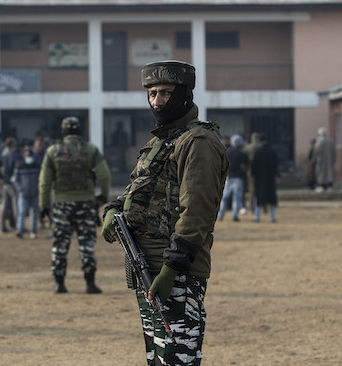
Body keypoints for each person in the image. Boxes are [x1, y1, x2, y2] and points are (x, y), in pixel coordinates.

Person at [101, 60, 228, 365]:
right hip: (147, 269)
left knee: (176, 359)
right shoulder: (161, 141)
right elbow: (136, 190)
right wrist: (113, 210)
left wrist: (171, 271)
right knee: (158, 359)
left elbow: (196, 213)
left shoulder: (198, 142)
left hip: (176, 272)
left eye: (166, 93)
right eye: (152, 93)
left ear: (184, 94)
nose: (156, 101)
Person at [39, 116, 110, 294]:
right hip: (86, 203)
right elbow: (104, 175)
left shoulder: (52, 151)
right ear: (80, 131)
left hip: (61, 204)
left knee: (60, 244)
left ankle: (59, 283)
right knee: (86, 243)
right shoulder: (91, 149)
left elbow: (44, 182)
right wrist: (102, 196)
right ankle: (90, 283)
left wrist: (43, 207)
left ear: (63, 132)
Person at [218, 134, 249, 222]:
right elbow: (246, 165)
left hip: (228, 177)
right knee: (237, 197)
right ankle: (234, 215)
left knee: (224, 197)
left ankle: (221, 215)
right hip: (238, 178)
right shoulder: (242, 153)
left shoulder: (227, 152)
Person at [0, 137, 23, 233]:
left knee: (4, 205)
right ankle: (18, 226)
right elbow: (18, 168)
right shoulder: (15, 155)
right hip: (13, 183)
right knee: (16, 206)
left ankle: (2, 226)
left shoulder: (4, 155)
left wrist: (1, 177)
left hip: (6, 182)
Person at [12, 146, 40, 239]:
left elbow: (41, 179)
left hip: (35, 194)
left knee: (34, 214)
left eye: (30, 155)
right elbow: (15, 180)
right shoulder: (20, 166)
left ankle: (33, 231)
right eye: (27, 155)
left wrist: (38, 189)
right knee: (22, 212)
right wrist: (20, 189)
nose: (29, 157)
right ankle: (20, 230)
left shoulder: (37, 166)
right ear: (24, 156)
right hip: (23, 195)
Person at [251, 132, 279, 223]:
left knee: (258, 197)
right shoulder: (272, 151)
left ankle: (257, 217)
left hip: (260, 178)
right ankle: (272, 217)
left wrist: (253, 174)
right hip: (270, 178)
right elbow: (277, 163)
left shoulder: (258, 151)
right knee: (271, 198)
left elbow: (254, 164)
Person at [313, 127, 336, 192]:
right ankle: (329, 186)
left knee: (321, 174)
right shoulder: (330, 141)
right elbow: (334, 152)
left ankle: (322, 186)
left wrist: (314, 160)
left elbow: (316, 151)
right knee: (329, 173)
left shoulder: (319, 141)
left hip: (321, 161)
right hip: (329, 161)